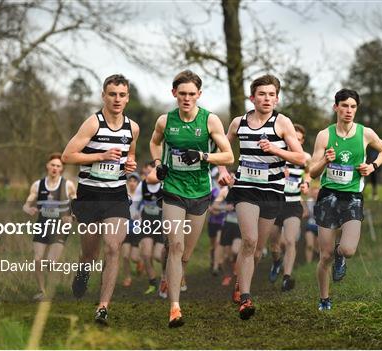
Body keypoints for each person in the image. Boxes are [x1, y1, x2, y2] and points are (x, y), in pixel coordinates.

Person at [149, 70, 234, 327]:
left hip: (199, 192)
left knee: (185, 254)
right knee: (175, 246)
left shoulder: (210, 121)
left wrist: (202, 156)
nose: (186, 98)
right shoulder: (165, 121)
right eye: (182, 93)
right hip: (173, 190)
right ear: (174, 93)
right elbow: (155, 143)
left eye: (191, 94)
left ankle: (173, 275)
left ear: (199, 95)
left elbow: (228, 156)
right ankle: (175, 307)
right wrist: (157, 163)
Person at [218, 74, 305, 320]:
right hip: (245, 188)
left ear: (276, 99)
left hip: (272, 191)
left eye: (271, 95)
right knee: (249, 240)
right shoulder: (239, 122)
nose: (267, 98)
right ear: (252, 97)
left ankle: (240, 282)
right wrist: (223, 172)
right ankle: (246, 298)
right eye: (262, 94)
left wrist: (276, 149)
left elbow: (301, 158)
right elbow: (222, 151)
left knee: (257, 249)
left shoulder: (282, 123)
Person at [61, 74, 139, 324]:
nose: (117, 99)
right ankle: (83, 272)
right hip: (90, 195)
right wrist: (100, 156)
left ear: (127, 98)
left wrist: (130, 166)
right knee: (90, 253)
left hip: (116, 194)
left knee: (113, 246)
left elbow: (130, 158)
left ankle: (103, 307)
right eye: (112, 94)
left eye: (122, 95)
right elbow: (68, 156)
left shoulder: (132, 128)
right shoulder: (92, 124)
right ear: (104, 96)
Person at [309, 89, 382, 311]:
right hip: (328, 196)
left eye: (353, 107)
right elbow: (312, 172)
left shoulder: (365, 133)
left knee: (348, 250)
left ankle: (340, 255)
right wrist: (325, 160)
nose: (349, 111)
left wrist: (372, 166)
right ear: (336, 107)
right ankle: (324, 299)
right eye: (344, 106)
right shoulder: (325, 135)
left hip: (353, 197)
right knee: (324, 256)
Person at [23, 152, 76, 301]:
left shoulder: (68, 185)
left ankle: (54, 286)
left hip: (60, 227)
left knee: (51, 263)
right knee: (38, 259)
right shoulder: (38, 185)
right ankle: (42, 291)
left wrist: (71, 216)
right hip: (43, 224)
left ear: (61, 169)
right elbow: (27, 204)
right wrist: (28, 209)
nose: (55, 168)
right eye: (52, 165)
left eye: (58, 166)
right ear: (47, 166)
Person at [268, 124, 312, 291]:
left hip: (293, 203)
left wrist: (306, 184)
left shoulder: (305, 157)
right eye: (294, 139)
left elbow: (308, 172)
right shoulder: (277, 153)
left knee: (290, 240)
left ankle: (286, 277)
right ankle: (276, 261)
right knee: (274, 244)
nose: (297, 142)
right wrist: (278, 174)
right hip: (274, 203)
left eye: (300, 140)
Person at [131, 163, 166, 295]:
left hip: (161, 223)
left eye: (150, 172)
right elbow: (135, 202)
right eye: (145, 173)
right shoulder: (142, 185)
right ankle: (152, 282)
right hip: (146, 222)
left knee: (158, 256)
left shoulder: (164, 185)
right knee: (146, 254)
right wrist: (135, 214)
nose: (147, 175)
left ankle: (164, 276)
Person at [303, 186, 320, 264]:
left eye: (317, 193)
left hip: (320, 226)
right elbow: (305, 212)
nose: (316, 195)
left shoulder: (323, 202)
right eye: (314, 193)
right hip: (310, 225)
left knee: (318, 248)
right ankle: (308, 264)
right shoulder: (309, 201)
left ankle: (320, 263)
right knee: (309, 245)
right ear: (312, 194)